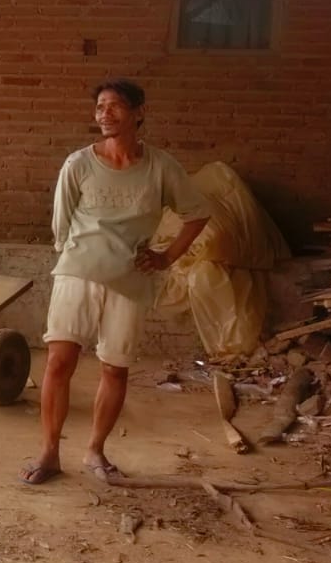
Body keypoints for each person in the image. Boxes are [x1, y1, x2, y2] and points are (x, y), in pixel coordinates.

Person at [20, 81, 212, 487]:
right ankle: (49, 452)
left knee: (114, 368)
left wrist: (166, 257)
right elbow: (60, 226)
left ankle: (95, 450)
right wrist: (80, 256)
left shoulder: (161, 167)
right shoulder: (78, 164)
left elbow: (197, 214)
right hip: (78, 273)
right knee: (58, 362)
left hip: (131, 280)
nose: (105, 114)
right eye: (100, 107)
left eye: (115, 106)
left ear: (139, 112)